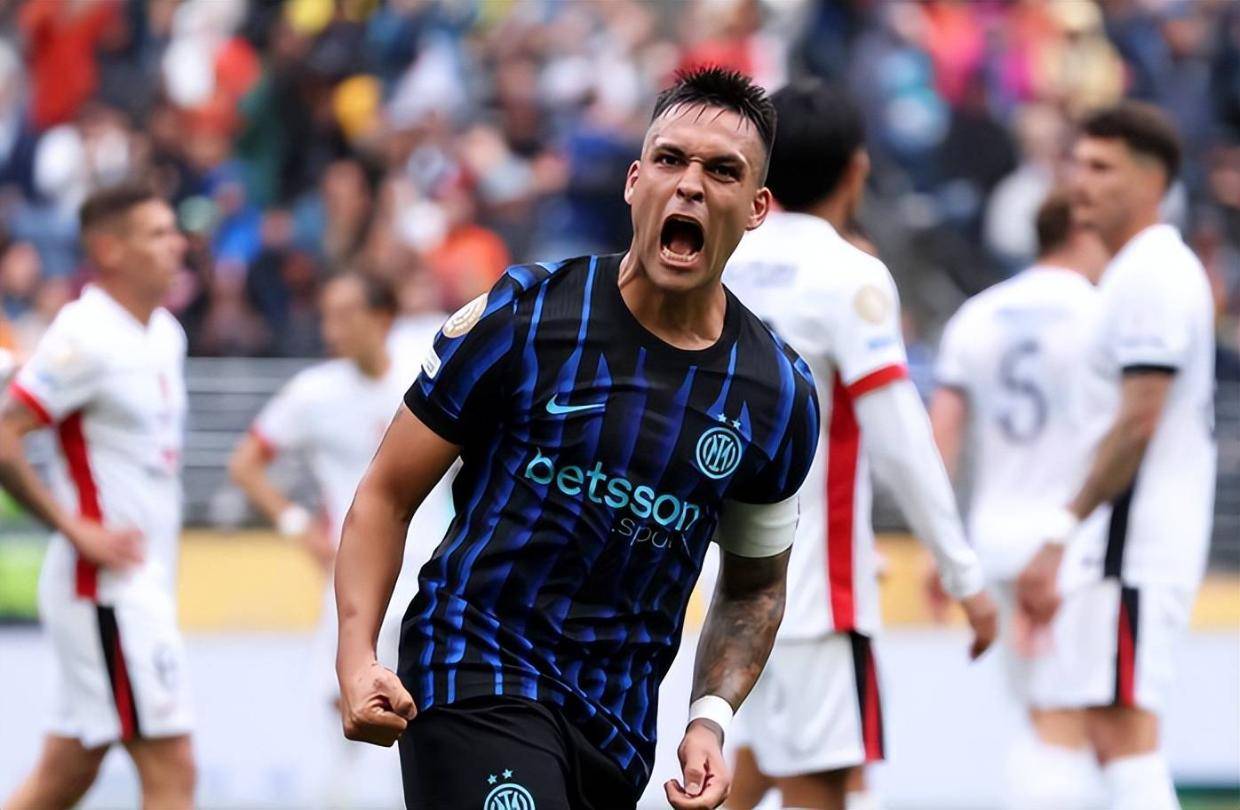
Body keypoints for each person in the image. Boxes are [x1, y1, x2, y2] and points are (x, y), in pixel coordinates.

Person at [334, 67, 821, 810]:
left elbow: (755, 588)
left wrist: (709, 719)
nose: (690, 185)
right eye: (670, 160)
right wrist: (356, 655)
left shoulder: (776, 394)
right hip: (473, 664)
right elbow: (386, 493)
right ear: (634, 181)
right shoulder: (526, 314)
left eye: (722, 171)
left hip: (615, 727)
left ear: (757, 207)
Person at [722, 79, 997, 810]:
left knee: (744, 770)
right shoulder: (849, 275)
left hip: (729, 587)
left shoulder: (726, 261)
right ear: (857, 169)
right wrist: (964, 574)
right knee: (822, 786)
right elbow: (901, 440)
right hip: (818, 591)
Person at [1016, 102, 1216, 810]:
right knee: (1107, 731)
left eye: (1101, 168)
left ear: (1152, 181)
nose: (1080, 183)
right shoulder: (1139, 270)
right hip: (1123, 548)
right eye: (1077, 164)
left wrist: (1061, 531)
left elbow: (1138, 422)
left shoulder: (1152, 273)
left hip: (1131, 548)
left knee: (1123, 733)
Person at [0, 185, 195, 809]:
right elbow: (5, 435)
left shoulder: (165, 333)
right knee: (173, 769)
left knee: (68, 772)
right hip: (106, 588)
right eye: (158, 234)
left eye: (174, 230)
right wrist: (74, 527)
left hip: (143, 578)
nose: (177, 245)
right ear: (109, 249)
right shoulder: (84, 335)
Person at [227, 272, 453, 806]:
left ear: (382, 318)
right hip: (357, 579)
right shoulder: (314, 394)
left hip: (433, 575)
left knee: (431, 710)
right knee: (345, 708)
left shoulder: (427, 374)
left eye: (345, 314)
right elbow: (246, 465)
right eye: (327, 315)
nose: (332, 329)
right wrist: (297, 526)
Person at [929, 191, 1110, 809]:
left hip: (995, 539)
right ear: (1085, 230)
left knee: (1039, 714)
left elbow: (942, 436)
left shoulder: (977, 315)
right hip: (1070, 546)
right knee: (1067, 723)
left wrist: (941, 548)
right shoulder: (1102, 314)